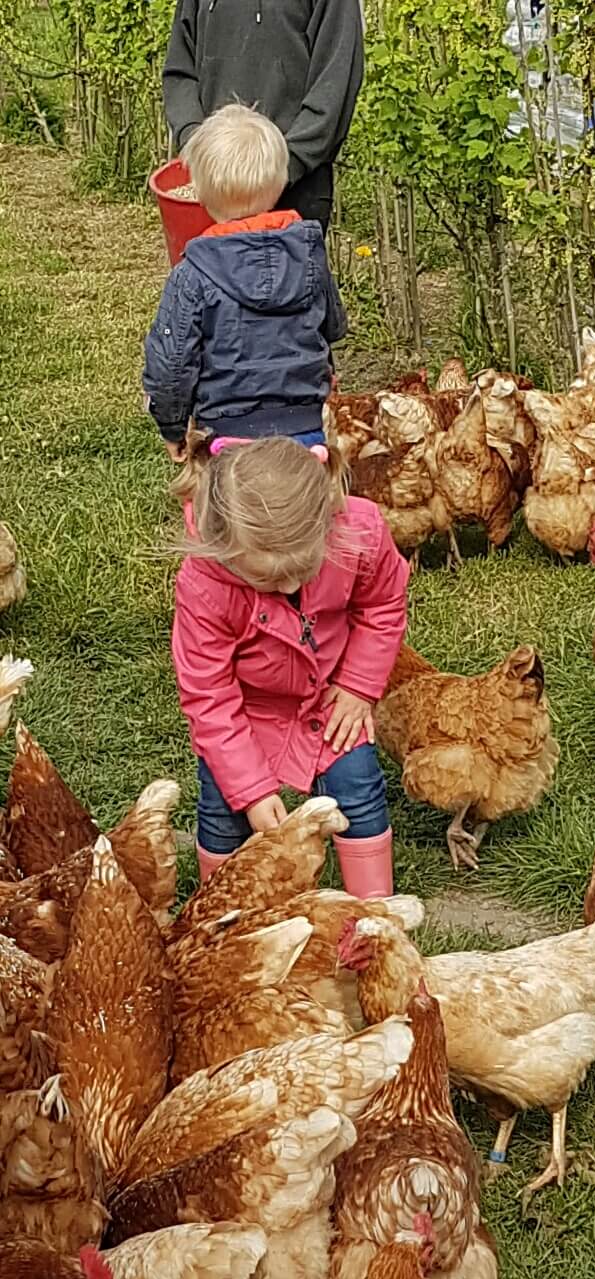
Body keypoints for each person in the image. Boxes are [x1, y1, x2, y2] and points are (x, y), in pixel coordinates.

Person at [170, 436, 410, 898]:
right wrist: (254, 791)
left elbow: (383, 604)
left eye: (303, 569)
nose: (290, 584)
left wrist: (359, 684)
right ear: (223, 548)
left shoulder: (359, 531)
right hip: (245, 712)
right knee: (224, 808)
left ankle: (374, 914)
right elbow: (209, 695)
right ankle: (219, 917)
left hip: (330, 697)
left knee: (359, 787)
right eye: (267, 578)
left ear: (325, 528)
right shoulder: (204, 584)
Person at [142, 105, 345, 457]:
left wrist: (173, 427)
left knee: (227, 508)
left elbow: (171, 365)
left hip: (226, 434)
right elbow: (333, 327)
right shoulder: (309, 256)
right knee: (302, 504)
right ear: (281, 182)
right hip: (307, 428)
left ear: (199, 193)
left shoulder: (193, 274)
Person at [162, 0, 363, 231]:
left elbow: (335, 83)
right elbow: (180, 69)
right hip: (213, 193)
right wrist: (198, 148)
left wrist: (281, 168)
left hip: (295, 194)